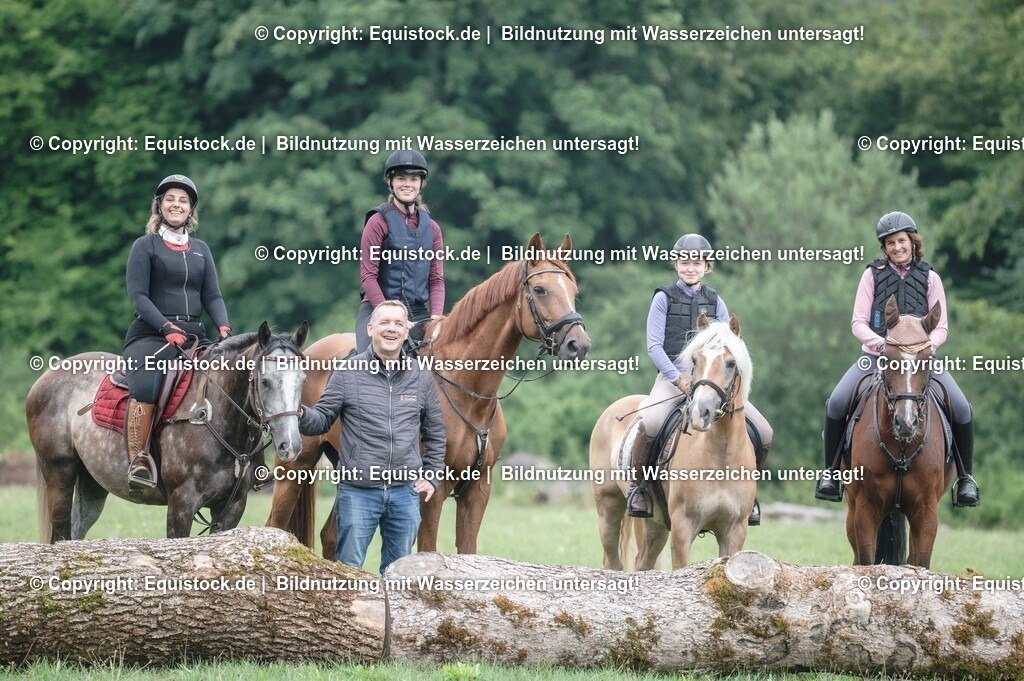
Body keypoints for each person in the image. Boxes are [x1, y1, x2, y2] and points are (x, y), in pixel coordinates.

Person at [815, 211, 979, 506]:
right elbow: (858, 322)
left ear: (912, 242)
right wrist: (882, 345)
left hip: (920, 361)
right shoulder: (872, 275)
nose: (897, 247)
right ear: (884, 247)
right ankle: (830, 474)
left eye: (901, 240)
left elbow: (941, 327)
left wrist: (925, 347)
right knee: (837, 402)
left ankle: (966, 479)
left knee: (962, 408)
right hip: (876, 358)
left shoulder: (931, 278)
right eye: (890, 243)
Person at [626, 234, 774, 525]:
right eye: (684, 262)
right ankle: (640, 488)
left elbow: (728, 343)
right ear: (676, 264)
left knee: (764, 432)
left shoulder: (715, 300)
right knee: (652, 422)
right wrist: (678, 379)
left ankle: (748, 494)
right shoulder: (663, 297)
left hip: (712, 381)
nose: (690, 267)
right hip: (673, 378)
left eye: (696, 262)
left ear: (707, 266)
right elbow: (654, 346)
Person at [299, 300, 447, 572]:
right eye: (384, 323)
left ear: (406, 331)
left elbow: (436, 433)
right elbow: (320, 419)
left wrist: (433, 475)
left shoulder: (421, 376)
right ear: (370, 328)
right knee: (348, 573)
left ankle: (391, 617)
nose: (391, 329)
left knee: (398, 577)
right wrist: (296, 412)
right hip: (358, 492)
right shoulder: (346, 372)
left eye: (398, 324)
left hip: (405, 493)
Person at [122, 174, 231, 490]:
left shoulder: (201, 249)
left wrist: (223, 325)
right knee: (146, 383)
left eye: (183, 200)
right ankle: (139, 458)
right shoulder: (145, 246)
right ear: (159, 205)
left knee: (230, 379)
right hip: (150, 336)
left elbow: (212, 295)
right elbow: (139, 296)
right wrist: (166, 327)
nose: (176, 204)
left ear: (191, 209)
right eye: (170, 198)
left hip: (196, 336)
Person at [356, 150, 445, 352]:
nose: (407, 184)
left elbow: (436, 279)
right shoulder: (377, 222)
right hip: (377, 308)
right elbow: (368, 277)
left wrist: (436, 316)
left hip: (418, 312)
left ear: (421, 183)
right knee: (366, 367)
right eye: (401, 178)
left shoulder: (432, 229)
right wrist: (391, 315)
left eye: (414, 179)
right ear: (391, 182)